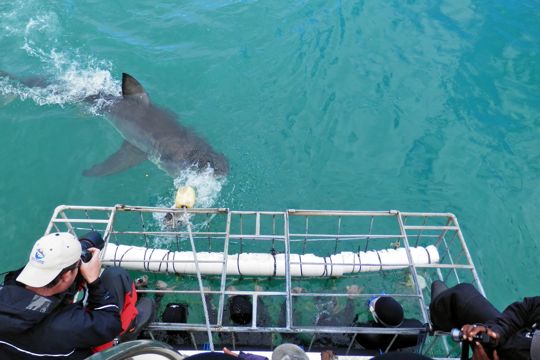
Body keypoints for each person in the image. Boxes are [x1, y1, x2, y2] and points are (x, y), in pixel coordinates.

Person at [0, 232, 153, 359]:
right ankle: (129, 329)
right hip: (80, 351)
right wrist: (93, 280)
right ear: (66, 276)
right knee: (116, 276)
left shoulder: (6, 291)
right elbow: (110, 324)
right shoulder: (69, 324)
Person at [430, 280, 540, 360]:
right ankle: (438, 317)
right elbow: (528, 309)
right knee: (462, 294)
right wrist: (495, 331)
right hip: (511, 341)